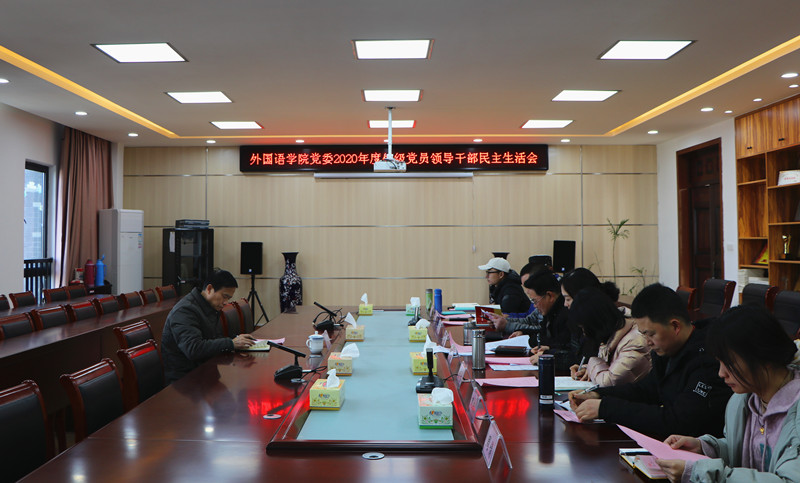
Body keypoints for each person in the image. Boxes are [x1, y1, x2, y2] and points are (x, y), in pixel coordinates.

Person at [656, 305, 800, 482]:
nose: (721, 373)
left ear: (764, 357)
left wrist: (704, 473)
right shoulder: (741, 401)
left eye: (729, 363)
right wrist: (705, 447)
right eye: (719, 362)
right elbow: (745, 451)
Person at [569, 283, 731, 440]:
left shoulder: (709, 359)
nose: (647, 342)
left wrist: (605, 408)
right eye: (643, 334)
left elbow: (679, 422)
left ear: (675, 326)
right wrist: (598, 394)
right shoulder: (667, 350)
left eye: (651, 334)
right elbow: (647, 390)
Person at [161, 269, 256, 384]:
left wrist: (236, 339)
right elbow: (193, 349)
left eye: (229, 298)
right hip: (184, 380)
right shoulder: (185, 310)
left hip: (203, 371)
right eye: (224, 296)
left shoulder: (208, 307)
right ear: (209, 289)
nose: (226, 302)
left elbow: (213, 337)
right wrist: (231, 343)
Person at [567, 287, 651, 386]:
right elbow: (611, 366)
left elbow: (610, 381)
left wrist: (592, 363)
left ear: (595, 324)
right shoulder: (614, 334)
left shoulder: (635, 342)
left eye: (584, 328)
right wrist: (586, 369)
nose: (584, 333)